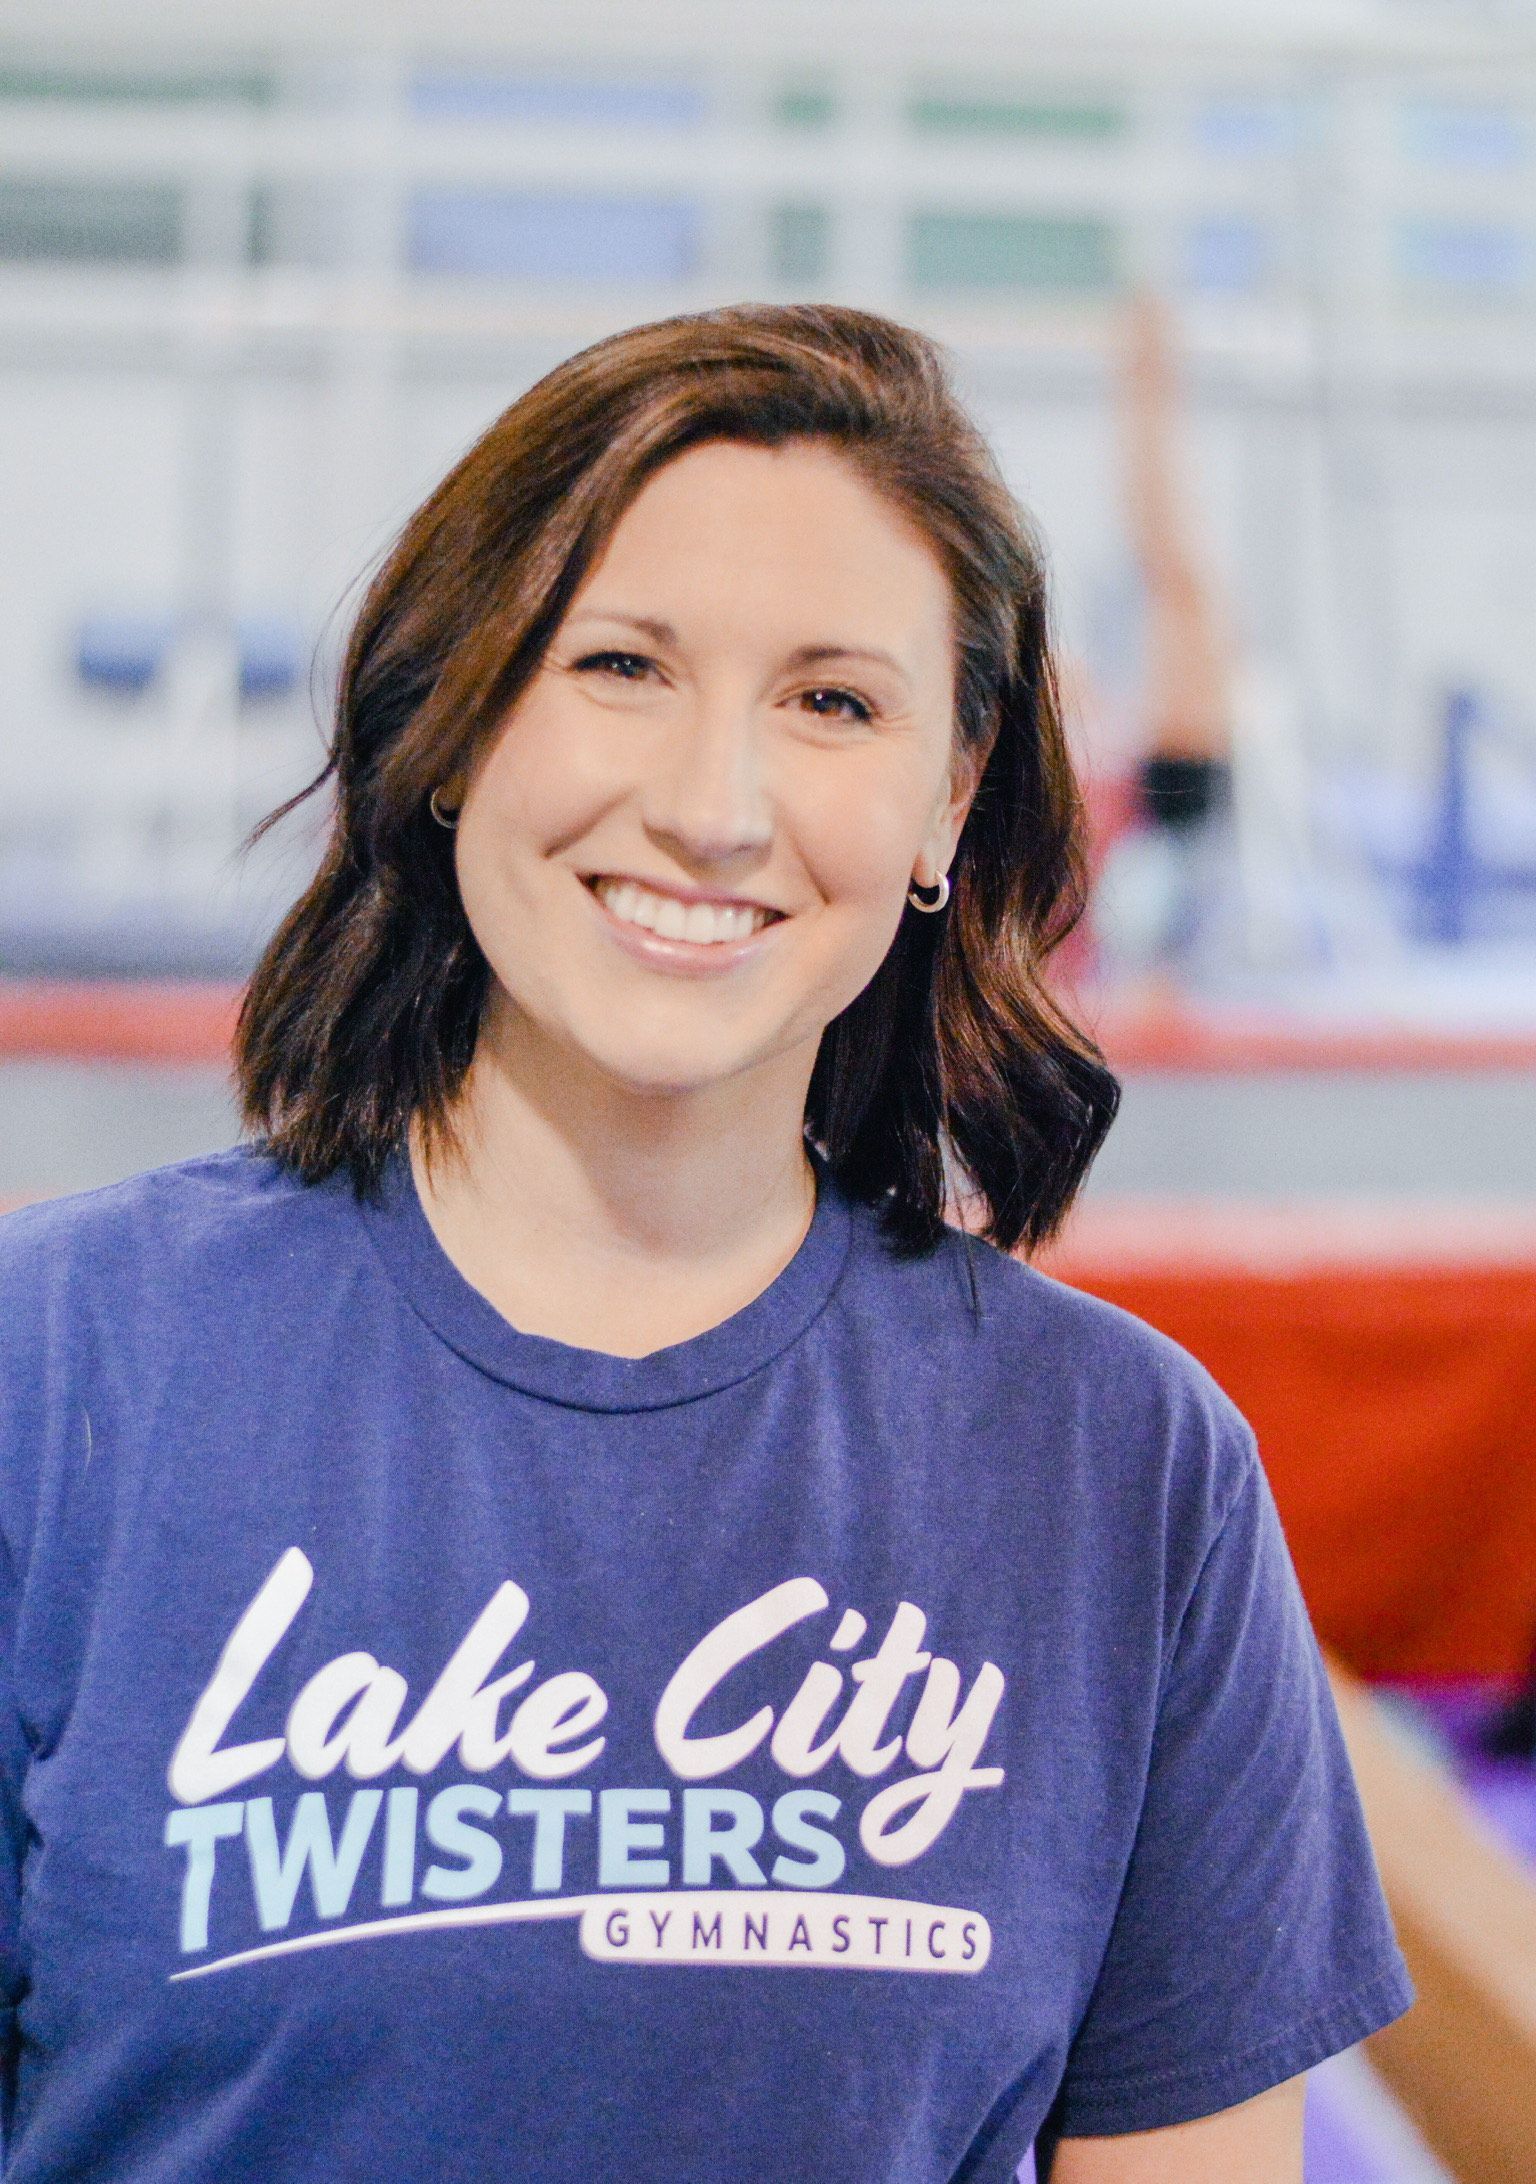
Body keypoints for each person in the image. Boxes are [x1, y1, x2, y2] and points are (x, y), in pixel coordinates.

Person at [0, 305, 1409, 2183]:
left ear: (949, 798)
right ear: (458, 722)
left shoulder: (1124, 1475)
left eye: (833, 701)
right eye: (620, 665)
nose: (714, 807)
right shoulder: (63, 1366)